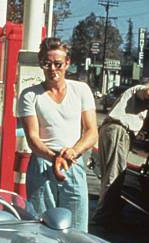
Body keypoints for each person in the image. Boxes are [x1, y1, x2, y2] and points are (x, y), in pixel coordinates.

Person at [17, 37, 98, 232]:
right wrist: (55, 158)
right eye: (47, 63)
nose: (53, 69)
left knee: (77, 230)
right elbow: (33, 139)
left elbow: (91, 131)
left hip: (73, 163)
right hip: (43, 165)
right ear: (40, 63)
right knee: (41, 227)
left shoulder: (81, 90)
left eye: (58, 64)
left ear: (68, 63)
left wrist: (72, 152)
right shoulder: (29, 95)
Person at [93, 76, 149, 225]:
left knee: (110, 174)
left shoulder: (130, 97)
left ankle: (109, 212)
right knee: (114, 175)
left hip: (110, 130)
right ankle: (104, 217)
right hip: (119, 131)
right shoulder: (139, 90)